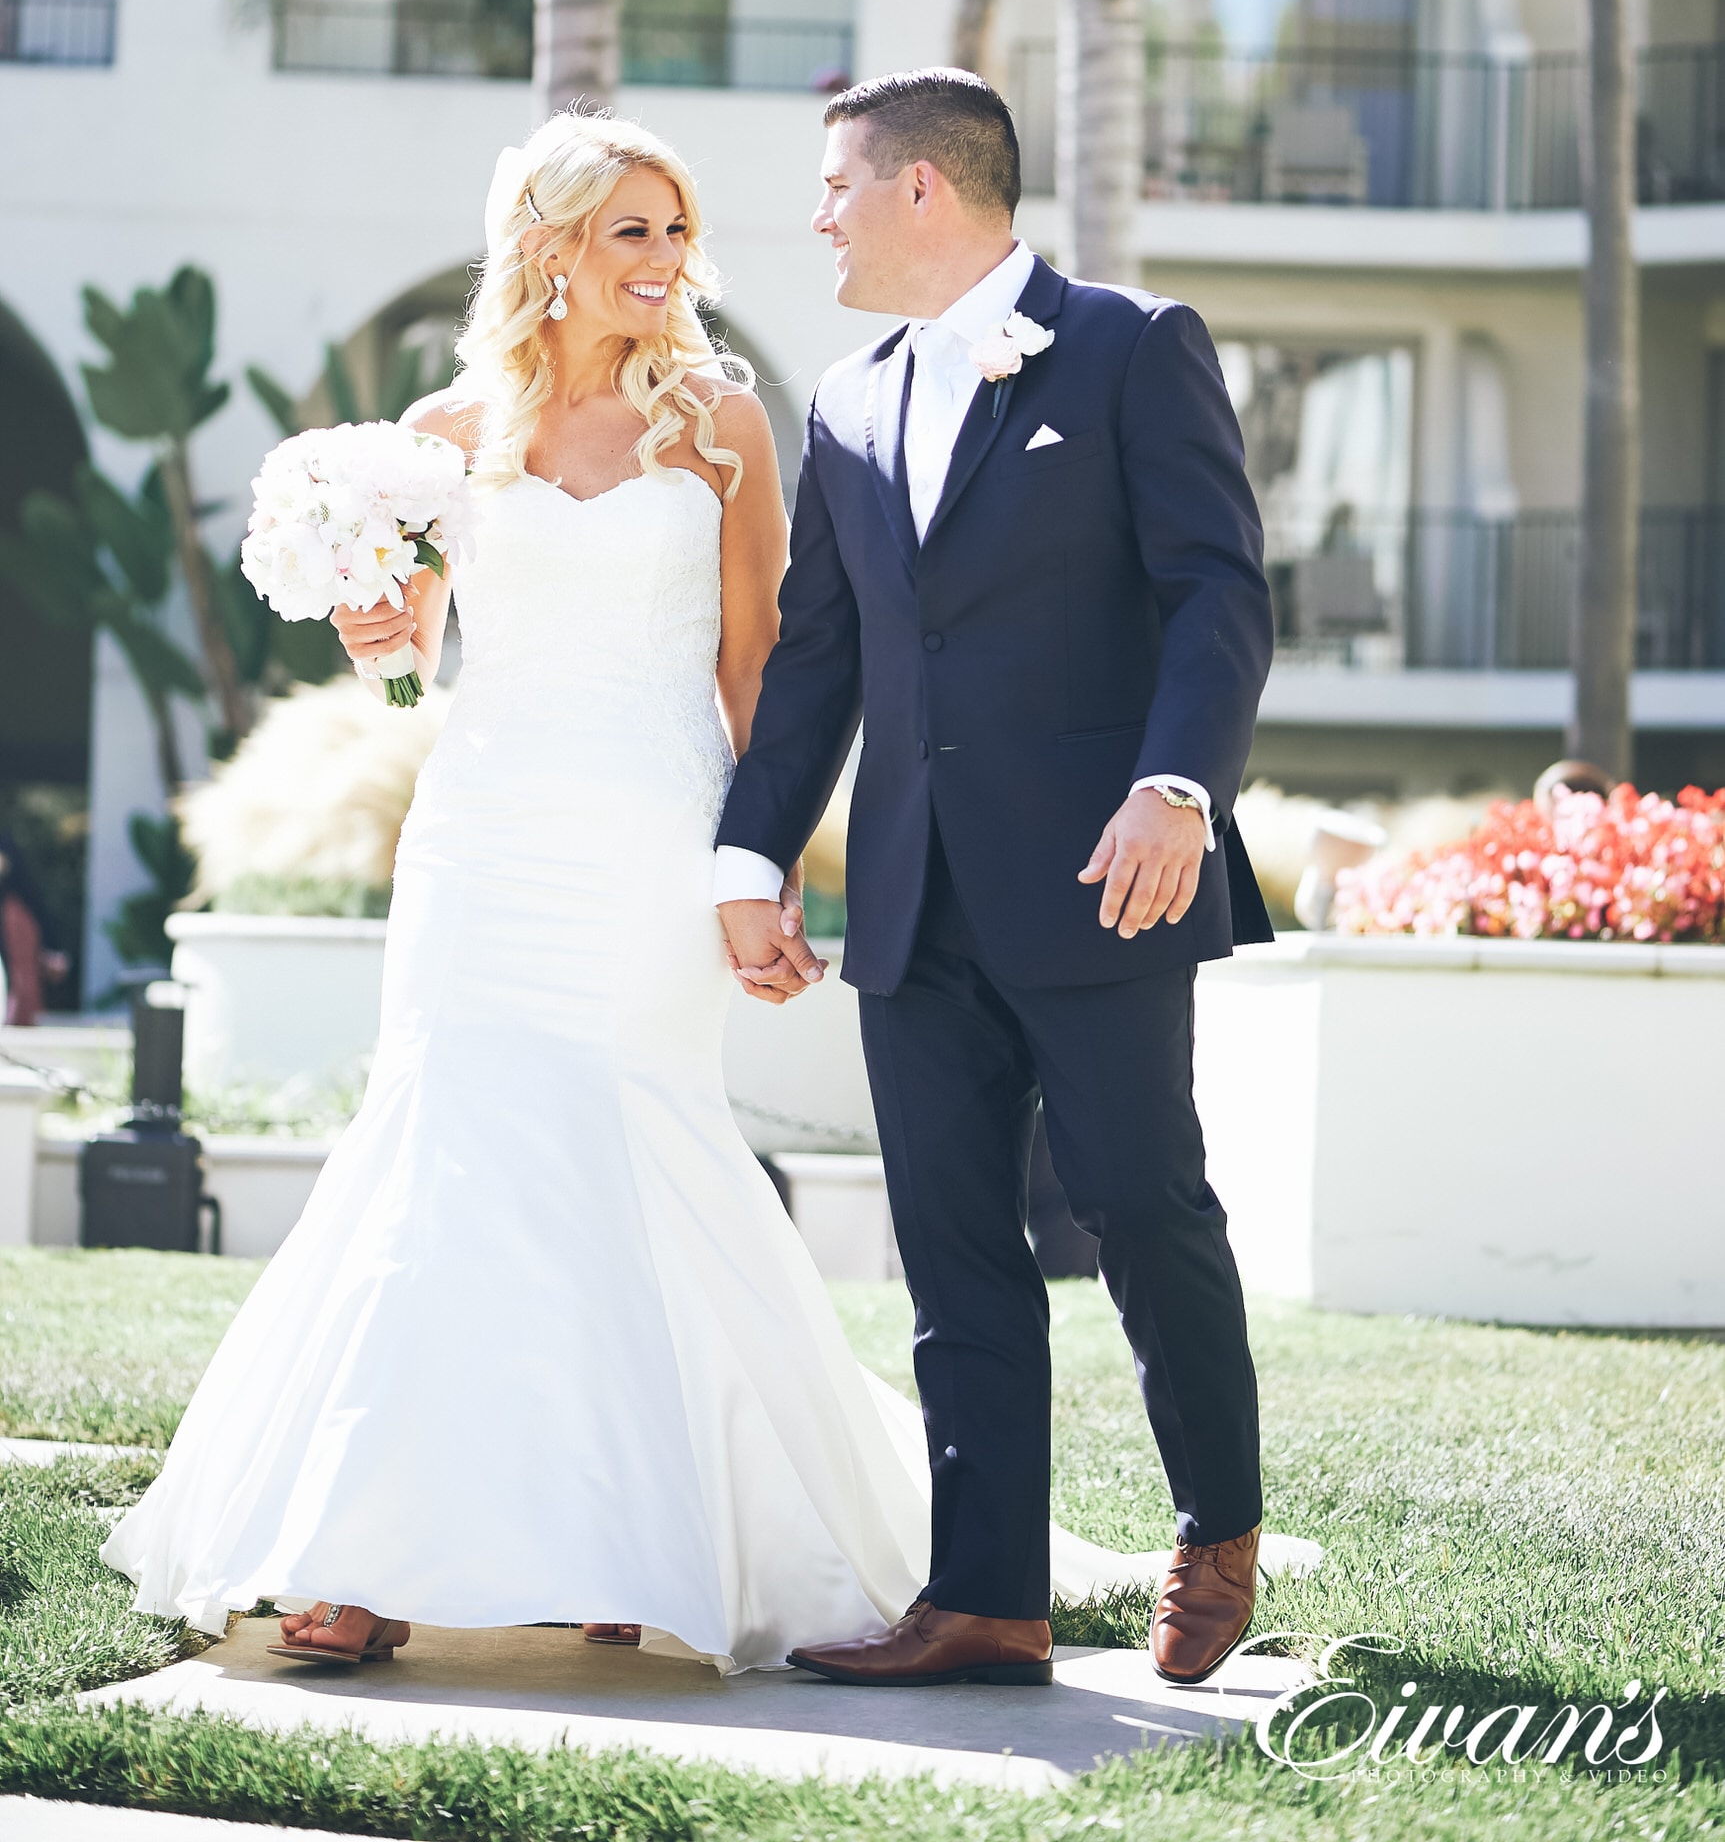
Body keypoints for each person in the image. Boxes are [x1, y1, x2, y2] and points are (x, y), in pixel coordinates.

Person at [101, 106, 1146, 1675]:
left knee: (628, 1148)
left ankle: (631, 1538)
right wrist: (378, 651)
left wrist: (762, 868)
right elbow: (416, 672)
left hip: (653, 831)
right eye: (631, 235)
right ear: (551, 249)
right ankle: (363, 1556)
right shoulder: (447, 435)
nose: (668, 264)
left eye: (676, 233)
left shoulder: (722, 427)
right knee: (445, 1152)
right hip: (485, 830)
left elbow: (760, 673)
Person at [714, 69, 1276, 1689]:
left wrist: (1177, 789)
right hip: (911, 892)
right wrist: (751, 857)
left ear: (920, 190)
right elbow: (818, 660)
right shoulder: (843, 398)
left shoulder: (1128, 345)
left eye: (834, 186)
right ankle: (983, 1600)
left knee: (1139, 1204)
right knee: (951, 1243)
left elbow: (1214, 593)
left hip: (1110, 874)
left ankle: (1216, 1522)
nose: (814, 216)